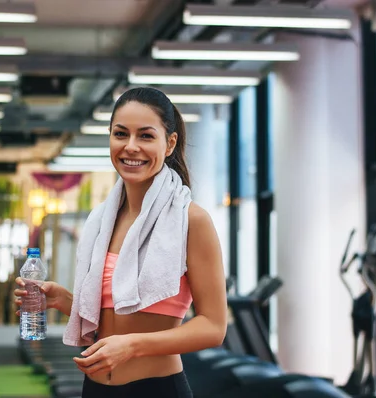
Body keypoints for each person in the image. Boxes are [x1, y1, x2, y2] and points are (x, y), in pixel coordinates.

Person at [14, 87, 227, 397]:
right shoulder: (101, 221)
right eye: (120, 134)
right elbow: (119, 318)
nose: (130, 147)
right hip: (97, 389)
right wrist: (65, 300)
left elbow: (213, 327)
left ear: (169, 144)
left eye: (145, 136)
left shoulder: (190, 220)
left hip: (158, 390)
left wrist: (133, 346)